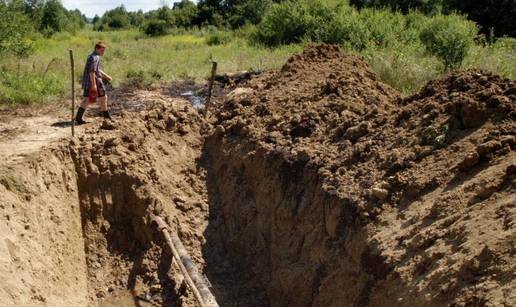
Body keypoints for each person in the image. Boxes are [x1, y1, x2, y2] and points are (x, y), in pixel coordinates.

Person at [75, 41, 113, 124]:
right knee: (94, 98)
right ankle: (106, 117)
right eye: (102, 50)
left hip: (93, 81)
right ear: (96, 49)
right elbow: (91, 72)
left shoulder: (96, 56)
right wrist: (94, 85)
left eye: (104, 50)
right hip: (93, 81)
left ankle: (79, 117)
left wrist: (106, 76)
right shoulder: (94, 57)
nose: (103, 52)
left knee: (93, 98)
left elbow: (97, 69)